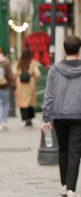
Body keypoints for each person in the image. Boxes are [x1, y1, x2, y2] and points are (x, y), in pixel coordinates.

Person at [42, 35, 81, 197]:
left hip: (59, 115)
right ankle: (71, 188)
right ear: (79, 50)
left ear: (64, 49)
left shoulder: (55, 69)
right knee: (75, 151)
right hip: (79, 115)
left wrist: (46, 118)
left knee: (63, 149)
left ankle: (64, 185)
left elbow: (49, 95)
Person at [14, 48, 40, 127]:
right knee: (29, 102)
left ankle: (25, 119)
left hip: (21, 85)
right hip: (30, 85)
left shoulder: (19, 62)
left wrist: (19, 76)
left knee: (23, 102)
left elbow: (14, 72)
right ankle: (30, 119)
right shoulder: (32, 62)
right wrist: (34, 79)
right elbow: (38, 73)